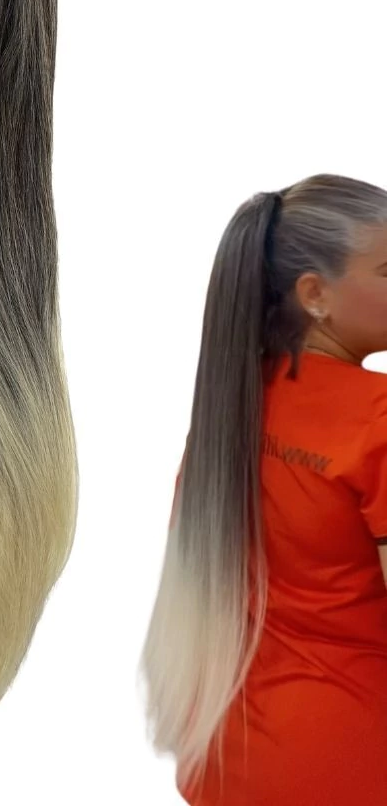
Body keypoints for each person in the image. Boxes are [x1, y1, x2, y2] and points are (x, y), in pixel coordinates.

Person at [139, 173, 387, 805]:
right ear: (315, 295)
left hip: (228, 755)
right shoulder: (377, 417)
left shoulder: (231, 405)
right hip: (353, 764)